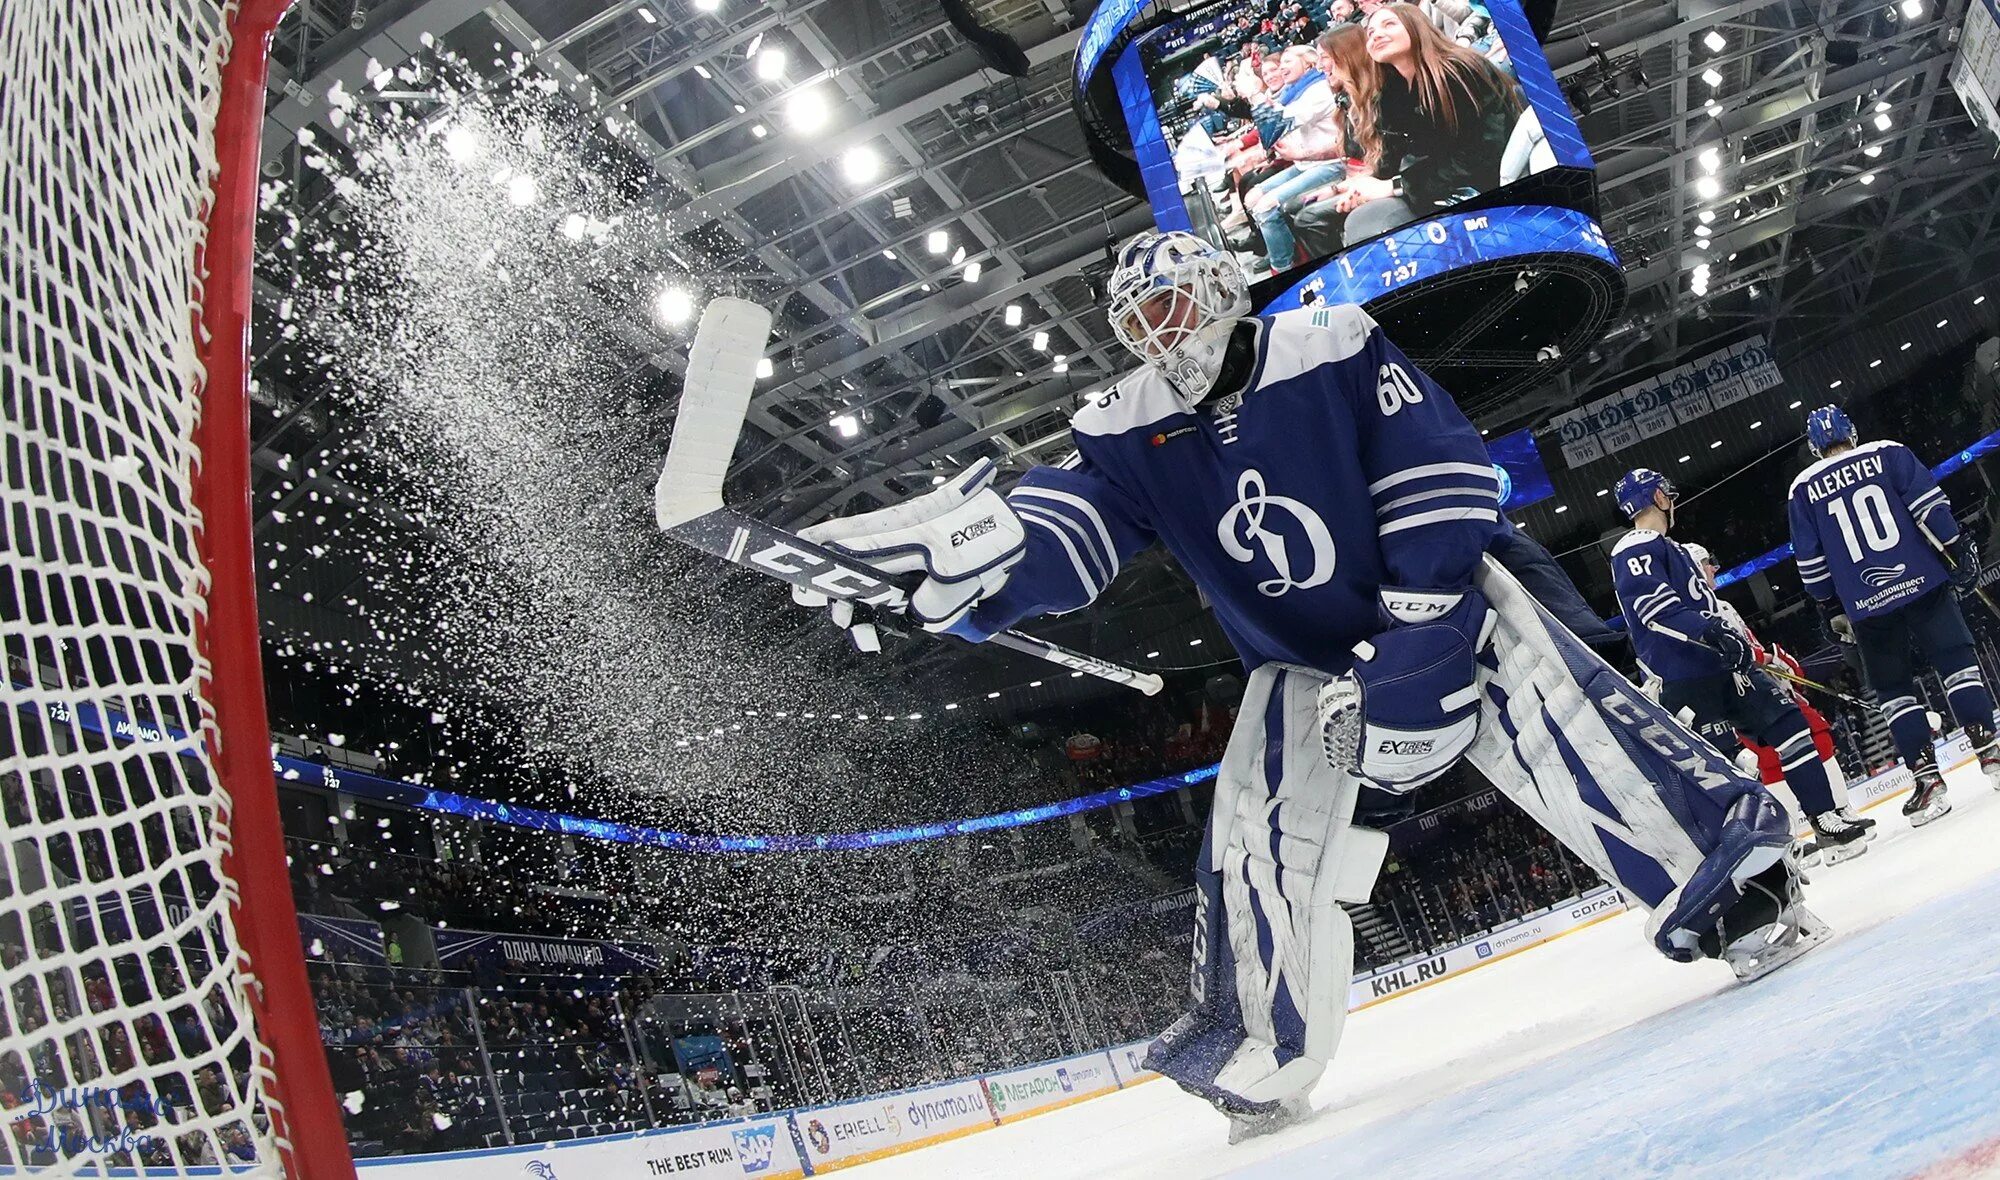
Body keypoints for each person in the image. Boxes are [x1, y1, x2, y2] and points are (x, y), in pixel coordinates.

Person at [791, 230, 1819, 1141]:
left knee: (1565, 721)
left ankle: (1735, 889)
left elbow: (1442, 468)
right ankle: (1253, 1052)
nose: (1161, 331)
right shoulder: (1120, 423)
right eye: (1138, 318)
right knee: (1251, 830)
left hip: (1428, 597)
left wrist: (1425, 620)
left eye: (1172, 303)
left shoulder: (1326, 341)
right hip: (1296, 659)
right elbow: (1078, 531)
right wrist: (975, 561)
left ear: (1223, 290)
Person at [1609, 468, 1869, 864]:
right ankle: (1738, 858)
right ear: (1658, 496)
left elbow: (1700, 607)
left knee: (1790, 725)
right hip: (1684, 679)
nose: (1672, 500)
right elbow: (1653, 610)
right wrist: (1712, 633)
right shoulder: (1635, 546)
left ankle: (1823, 818)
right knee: (1720, 770)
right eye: (1667, 493)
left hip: (1723, 667)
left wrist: (1731, 641)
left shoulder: (1672, 548)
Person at [1785, 405, 2000, 824]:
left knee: (1894, 692)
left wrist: (1829, 603)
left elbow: (1810, 562)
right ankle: (1991, 753)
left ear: (1813, 447)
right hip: (1921, 581)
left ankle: (1927, 782)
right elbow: (1929, 508)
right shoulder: (1888, 452)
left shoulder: (1802, 488)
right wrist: (1955, 548)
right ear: (1853, 430)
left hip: (1865, 602)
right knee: (1957, 663)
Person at [1682, 542, 1875, 849]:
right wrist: (1769, 659)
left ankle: (1835, 813)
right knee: (1774, 759)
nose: (1714, 567)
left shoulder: (1723, 606)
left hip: (1761, 688)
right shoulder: (1695, 613)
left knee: (1812, 738)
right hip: (1742, 697)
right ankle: (1793, 840)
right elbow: (1726, 656)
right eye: (1707, 562)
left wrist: (1773, 665)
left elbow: (1746, 645)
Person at [1289, 2, 1520, 248]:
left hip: (1485, 189)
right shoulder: (1392, 91)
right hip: (1433, 185)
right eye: (1371, 32)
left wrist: (1394, 187)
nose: (1376, 33)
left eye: (1389, 24)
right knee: (1330, 216)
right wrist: (1355, 190)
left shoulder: (1457, 71)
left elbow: (1482, 156)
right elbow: (1392, 156)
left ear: (1416, 27)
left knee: (1363, 223)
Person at [1241, 29, 1376, 273]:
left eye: (1286, 62)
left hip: (1330, 166)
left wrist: (1255, 96)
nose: (1279, 70)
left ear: (1309, 63)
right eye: (1272, 68)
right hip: (1311, 163)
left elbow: (1281, 122)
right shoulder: (1294, 92)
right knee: (1253, 197)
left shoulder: (1318, 90)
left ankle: (1283, 268)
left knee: (1268, 207)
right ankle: (1283, 253)